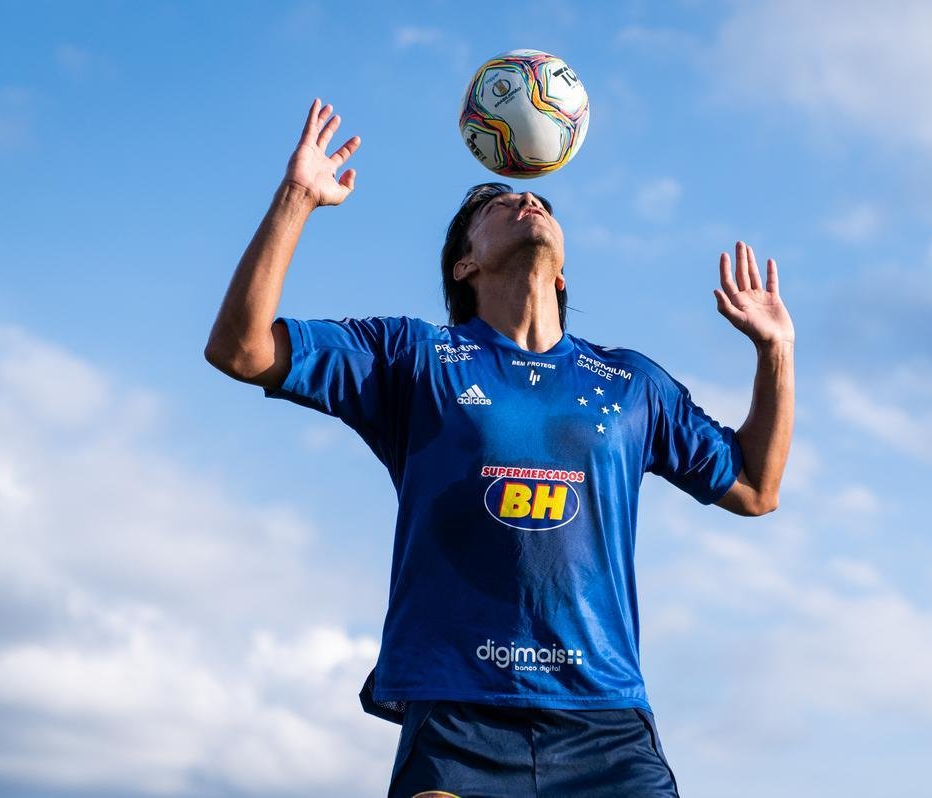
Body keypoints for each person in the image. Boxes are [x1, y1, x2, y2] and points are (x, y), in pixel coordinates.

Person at [206, 98, 795, 798]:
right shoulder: (413, 357)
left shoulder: (630, 383)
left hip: (605, 723)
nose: (525, 199)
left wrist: (776, 352)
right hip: (458, 715)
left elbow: (756, 488)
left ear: (565, 272)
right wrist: (297, 197)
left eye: (536, 196)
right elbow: (240, 349)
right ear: (464, 266)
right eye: (499, 202)